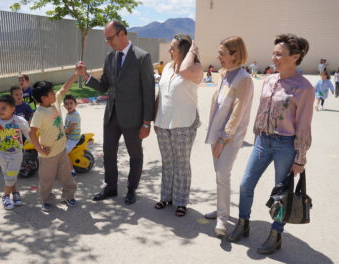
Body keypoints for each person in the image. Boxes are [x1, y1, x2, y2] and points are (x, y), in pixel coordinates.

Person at [228, 34, 315, 255]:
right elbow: (261, 111)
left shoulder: (304, 88)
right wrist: (257, 134)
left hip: (286, 145)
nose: (274, 57)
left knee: (281, 195)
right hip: (262, 141)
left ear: (295, 57)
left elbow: (304, 126)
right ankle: (243, 223)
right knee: (245, 184)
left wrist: (300, 159)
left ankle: (276, 235)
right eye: (273, 53)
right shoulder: (268, 80)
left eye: (279, 54)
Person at [77, 20, 155, 205]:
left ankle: (131, 189)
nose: (108, 42)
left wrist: (146, 122)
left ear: (122, 34)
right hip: (112, 115)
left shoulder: (142, 57)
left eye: (110, 38)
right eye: (106, 39)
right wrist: (86, 76)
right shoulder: (110, 58)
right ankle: (111, 187)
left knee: (135, 155)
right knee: (108, 153)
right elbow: (105, 86)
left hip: (133, 118)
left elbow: (149, 92)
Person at [203, 36, 254, 236]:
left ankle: (222, 220)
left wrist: (223, 140)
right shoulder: (223, 74)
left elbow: (237, 113)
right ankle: (221, 208)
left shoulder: (244, 79)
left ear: (235, 55)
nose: (218, 56)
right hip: (216, 134)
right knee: (220, 175)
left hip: (229, 138)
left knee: (223, 174)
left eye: (222, 53)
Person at [153, 34, 203, 217]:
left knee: (181, 163)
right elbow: (160, 93)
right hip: (163, 122)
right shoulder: (167, 67)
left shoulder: (195, 68)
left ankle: (181, 201)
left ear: (184, 50)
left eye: (173, 48)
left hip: (184, 123)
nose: (169, 51)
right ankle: (165, 196)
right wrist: (155, 118)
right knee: (167, 162)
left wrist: (192, 51)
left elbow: (183, 70)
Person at [29, 73, 79, 212]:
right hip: (48, 155)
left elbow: (64, 88)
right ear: (44, 98)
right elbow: (32, 133)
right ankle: (47, 199)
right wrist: (39, 150)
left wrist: (76, 74)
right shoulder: (39, 113)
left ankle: (68, 195)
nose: (54, 93)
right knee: (46, 180)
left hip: (61, 150)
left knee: (66, 176)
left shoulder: (55, 101)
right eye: (51, 92)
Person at [0, 95, 31, 210]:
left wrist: (40, 146)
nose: (0, 111)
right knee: (10, 176)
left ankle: (5, 196)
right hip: (1, 155)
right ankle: (15, 193)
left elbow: (30, 135)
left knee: (10, 175)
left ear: (12, 109)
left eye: (3, 108)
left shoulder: (19, 121)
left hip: (16, 154)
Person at [63, 94, 81, 177]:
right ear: (64, 105)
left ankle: (72, 171)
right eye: (66, 104)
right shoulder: (68, 114)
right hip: (68, 136)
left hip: (73, 138)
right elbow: (66, 126)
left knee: (63, 152)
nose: (69, 105)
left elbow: (70, 129)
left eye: (71, 103)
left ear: (75, 104)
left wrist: (62, 133)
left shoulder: (75, 115)